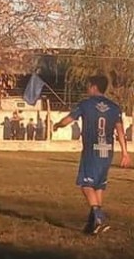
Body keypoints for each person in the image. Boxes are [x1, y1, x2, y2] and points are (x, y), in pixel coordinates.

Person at [53, 75, 130, 235]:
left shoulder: (85, 104)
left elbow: (67, 120)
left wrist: (57, 125)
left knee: (86, 185)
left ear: (94, 87)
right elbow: (120, 131)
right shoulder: (115, 107)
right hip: (107, 151)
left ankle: (98, 216)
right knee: (99, 186)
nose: (87, 89)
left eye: (88, 86)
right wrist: (125, 153)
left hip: (91, 151)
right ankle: (92, 226)